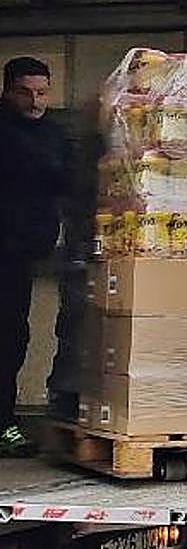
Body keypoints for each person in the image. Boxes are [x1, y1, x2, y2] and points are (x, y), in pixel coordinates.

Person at [0, 57, 74, 456]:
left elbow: (68, 181)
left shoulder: (53, 134)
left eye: (42, 92)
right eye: (25, 92)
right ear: (8, 90)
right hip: (5, 249)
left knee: (14, 338)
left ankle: (5, 422)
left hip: (22, 256)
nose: (34, 101)